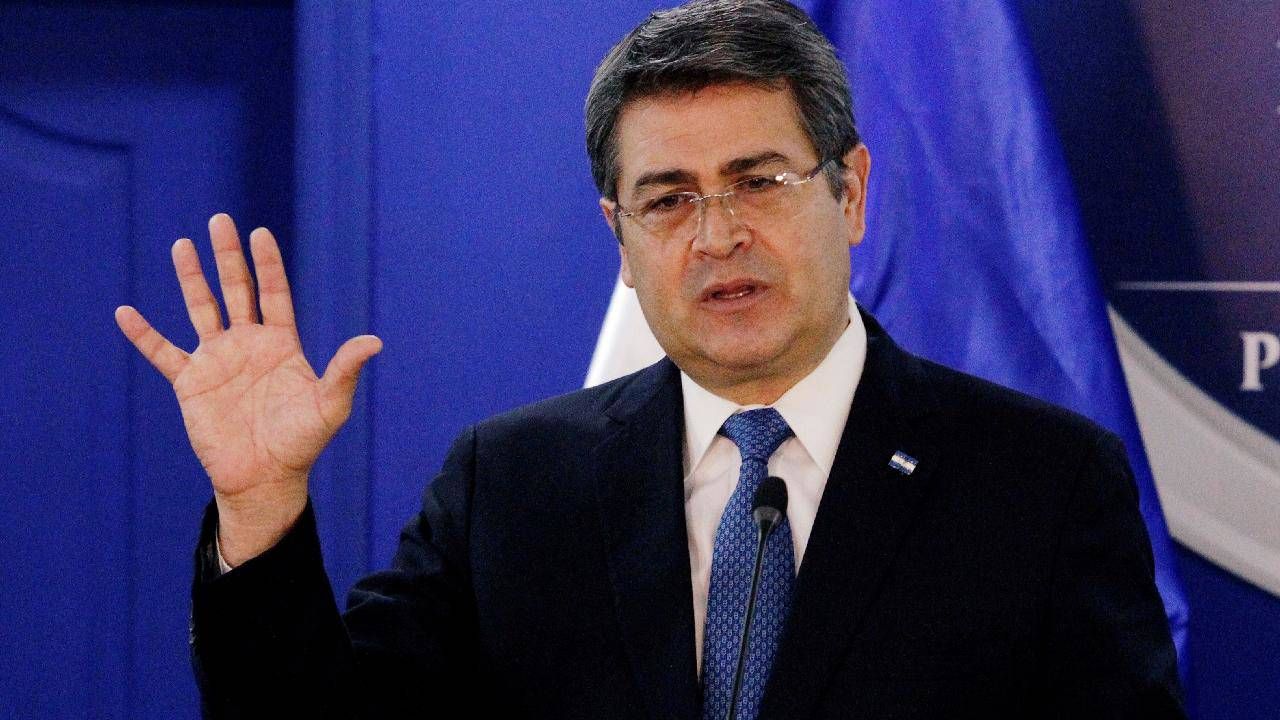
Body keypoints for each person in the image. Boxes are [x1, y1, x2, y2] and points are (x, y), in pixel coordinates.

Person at [114, 1, 1185, 717]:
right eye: (667, 200)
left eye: (758, 181)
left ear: (851, 193)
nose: (716, 235)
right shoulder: (511, 485)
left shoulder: (1038, 481)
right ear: (620, 239)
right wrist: (261, 508)